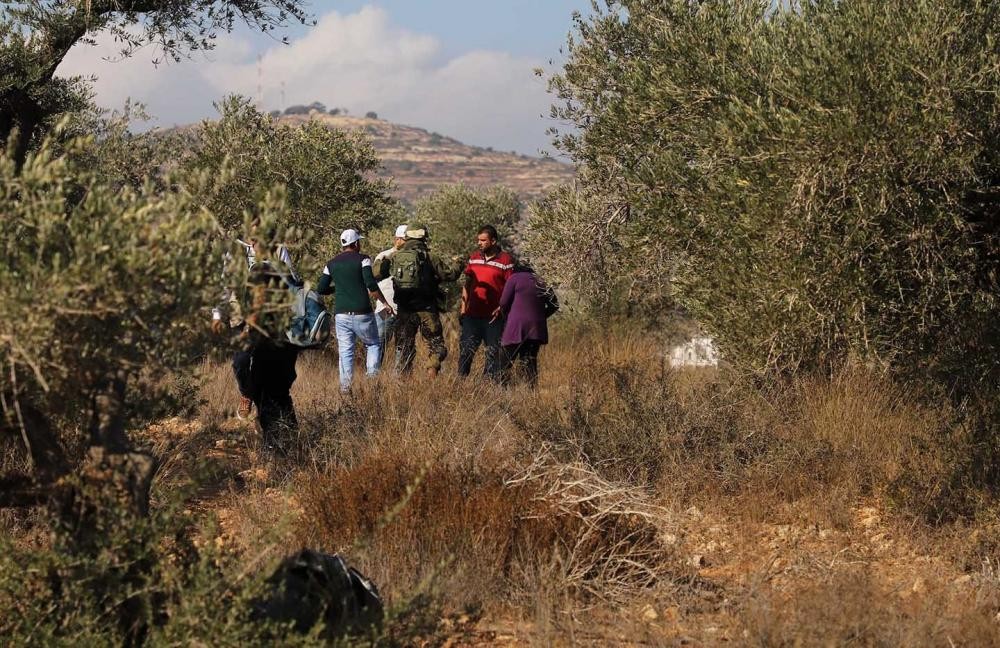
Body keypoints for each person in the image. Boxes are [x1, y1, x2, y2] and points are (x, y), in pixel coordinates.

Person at [212, 232, 302, 448]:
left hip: (272, 325)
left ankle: (279, 443)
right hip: (243, 321)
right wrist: (218, 314)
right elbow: (225, 286)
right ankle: (249, 396)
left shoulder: (279, 252)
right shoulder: (236, 253)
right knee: (242, 363)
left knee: (271, 381)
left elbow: (293, 285)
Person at [375, 223, 463, 376]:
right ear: (424, 237)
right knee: (436, 346)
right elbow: (450, 275)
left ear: (407, 236)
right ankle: (432, 372)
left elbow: (376, 273)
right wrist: (458, 264)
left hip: (404, 309)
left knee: (404, 347)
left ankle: (403, 380)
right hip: (427, 309)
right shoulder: (430, 257)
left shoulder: (395, 256)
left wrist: (380, 262)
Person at [317, 229, 390, 393]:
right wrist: (385, 303)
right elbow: (370, 284)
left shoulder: (331, 264)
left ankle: (345, 389)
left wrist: (338, 287)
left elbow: (321, 288)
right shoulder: (364, 259)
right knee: (372, 344)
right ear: (356, 243)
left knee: (345, 351)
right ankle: (372, 383)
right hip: (362, 312)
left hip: (341, 314)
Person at [458, 225, 515, 382]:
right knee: (466, 351)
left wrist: (502, 308)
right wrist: (463, 310)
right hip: (472, 316)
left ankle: (486, 387)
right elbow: (467, 284)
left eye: (483, 240)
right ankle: (460, 384)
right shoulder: (474, 257)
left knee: (492, 354)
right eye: (478, 240)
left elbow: (511, 288)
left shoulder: (506, 260)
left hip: (493, 319)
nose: (479, 243)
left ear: (493, 241)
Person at [494, 257, 557, 389]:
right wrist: (541, 316)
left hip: (515, 327)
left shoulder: (514, 278)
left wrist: (506, 317)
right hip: (536, 329)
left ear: (515, 268)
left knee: (504, 362)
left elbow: (503, 303)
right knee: (529, 363)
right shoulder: (541, 280)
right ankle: (531, 394)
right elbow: (554, 305)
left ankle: (502, 391)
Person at [373, 224, 407, 368]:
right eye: (405, 239)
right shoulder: (383, 256)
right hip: (385, 310)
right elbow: (372, 282)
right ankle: (373, 375)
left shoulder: (411, 258)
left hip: (404, 311)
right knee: (378, 345)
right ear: (397, 239)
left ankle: (399, 378)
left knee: (402, 347)